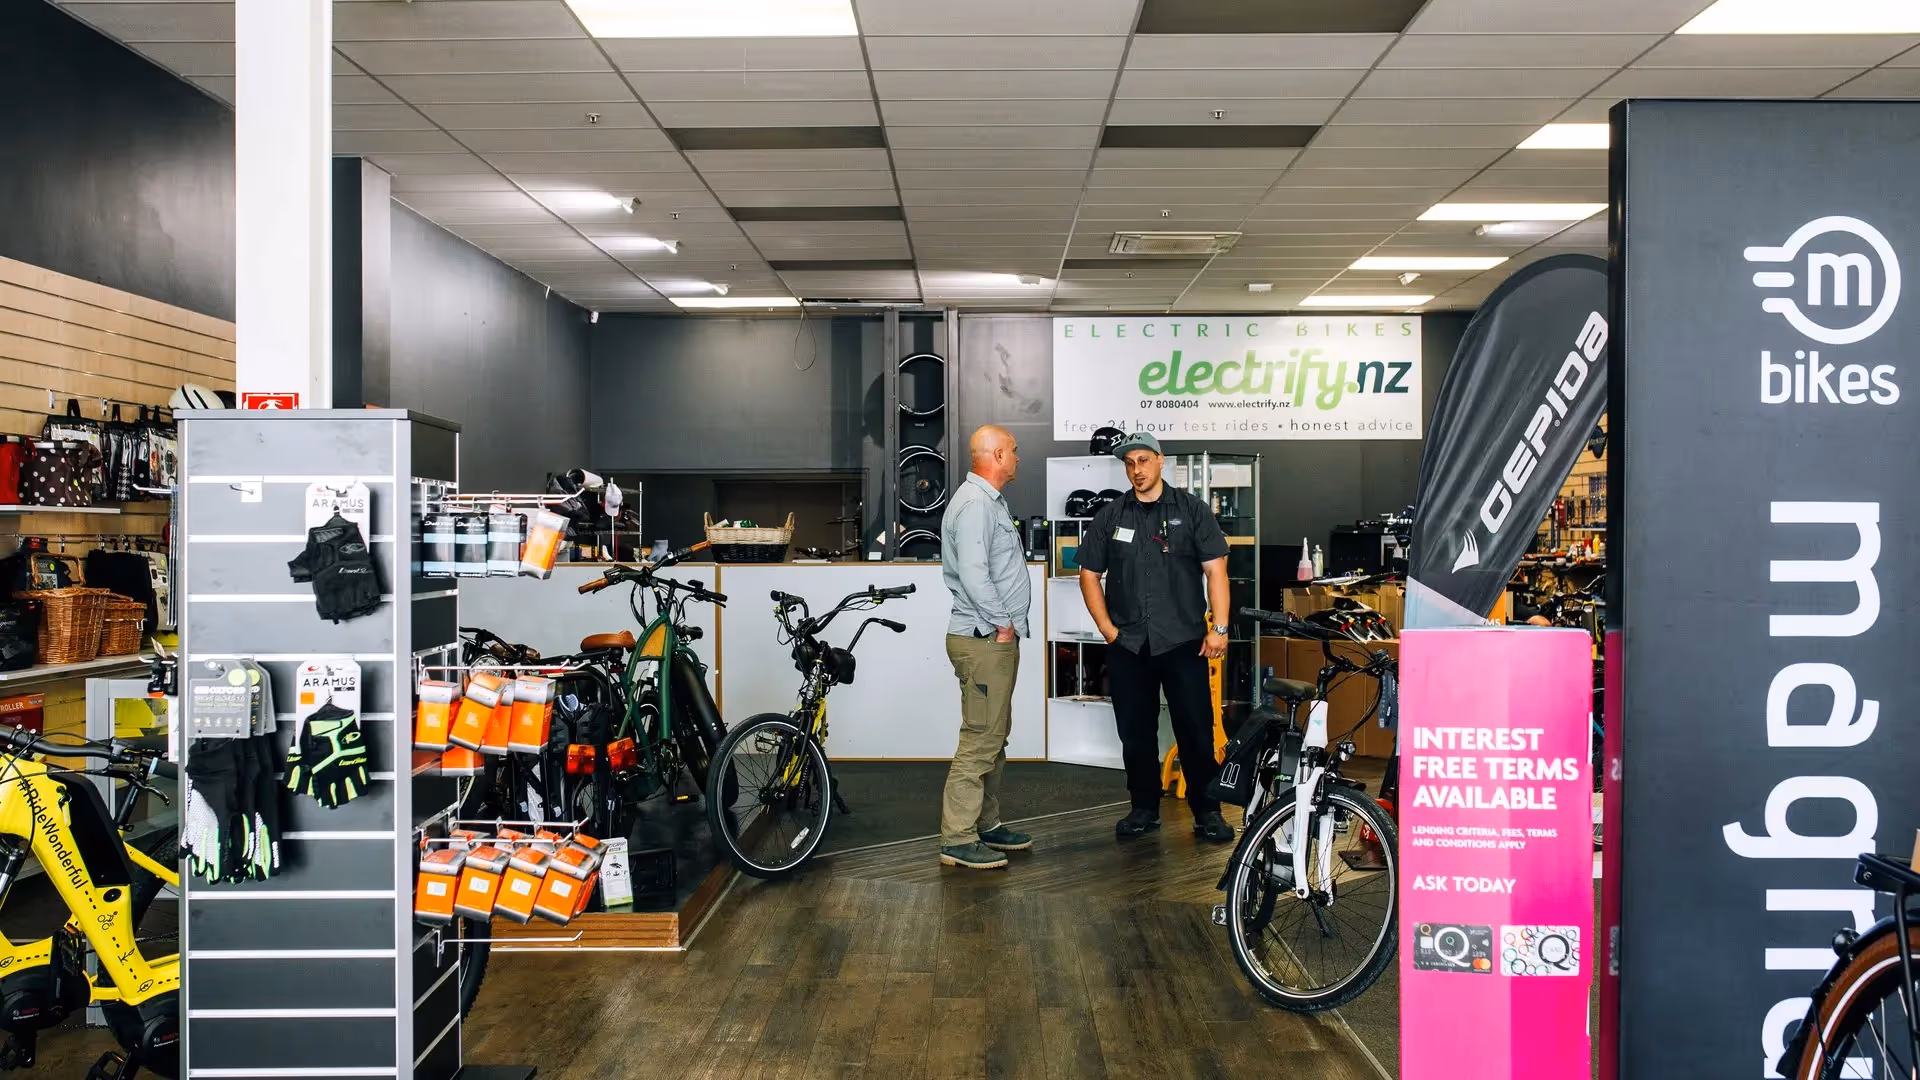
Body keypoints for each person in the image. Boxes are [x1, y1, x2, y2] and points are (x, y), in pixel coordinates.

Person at [1076, 432, 1236, 843]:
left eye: (1143, 460)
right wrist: (1108, 630)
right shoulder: (1111, 515)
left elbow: (1216, 571)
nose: (1137, 470)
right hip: (1129, 645)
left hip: (1184, 642)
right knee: (1135, 732)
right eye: (1129, 463)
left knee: (1196, 730)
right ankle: (1143, 807)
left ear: (1161, 461)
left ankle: (1208, 811)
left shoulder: (1192, 510)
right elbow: (1089, 575)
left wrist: (1219, 627)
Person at [936, 425, 1034, 870]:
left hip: (988, 640)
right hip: (984, 640)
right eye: (1012, 450)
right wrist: (1003, 624)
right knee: (980, 739)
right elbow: (975, 574)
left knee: (994, 735)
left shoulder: (987, 502)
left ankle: (985, 825)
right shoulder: (976, 504)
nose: (1017, 457)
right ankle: (957, 838)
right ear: (996, 455)